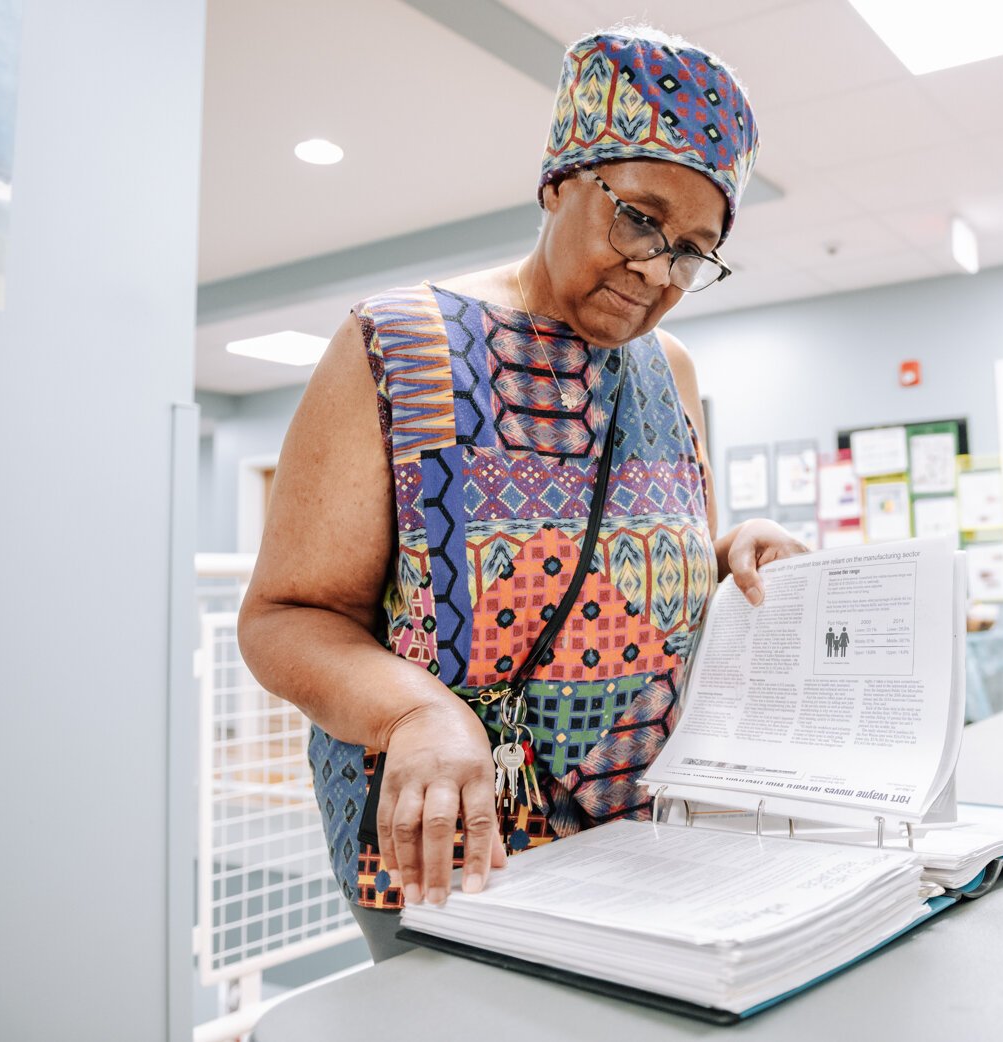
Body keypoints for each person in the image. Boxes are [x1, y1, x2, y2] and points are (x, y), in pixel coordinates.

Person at [237, 25, 805, 962]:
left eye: (695, 253)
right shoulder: (396, 343)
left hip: (646, 845)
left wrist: (731, 550)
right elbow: (285, 617)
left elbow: (640, 578)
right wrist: (413, 711)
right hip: (454, 859)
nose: (659, 272)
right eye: (639, 219)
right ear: (557, 181)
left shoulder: (672, 370)